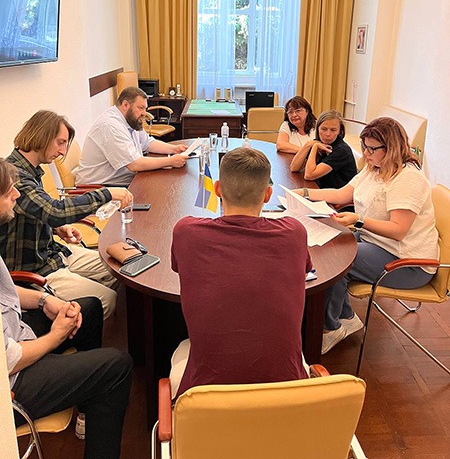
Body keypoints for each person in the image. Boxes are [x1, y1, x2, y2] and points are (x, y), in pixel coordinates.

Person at [0, 158, 133, 459]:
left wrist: (45, 301)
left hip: (16, 336)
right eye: (9, 192)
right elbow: (8, 360)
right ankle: (94, 391)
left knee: (89, 309)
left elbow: (6, 292)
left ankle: (87, 402)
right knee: (116, 367)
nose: (17, 195)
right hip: (11, 382)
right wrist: (55, 337)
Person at [170, 147, 312, 398]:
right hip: (286, 396)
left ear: (217, 189)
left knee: (181, 349)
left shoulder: (186, 232)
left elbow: (179, 267)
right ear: (267, 195)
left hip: (207, 396)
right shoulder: (294, 233)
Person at [295, 117, 439, 354]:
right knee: (327, 249)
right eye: (365, 147)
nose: (366, 153)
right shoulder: (375, 168)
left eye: (372, 149)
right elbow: (342, 195)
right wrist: (302, 193)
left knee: (336, 258)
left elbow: (398, 230)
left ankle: (329, 326)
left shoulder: (408, 179)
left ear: (391, 148)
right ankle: (343, 317)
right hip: (376, 243)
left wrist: (358, 220)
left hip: (407, 261)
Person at [0, 110, 133, 318]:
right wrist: (106, 193)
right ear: (42, 136)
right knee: (107, 299)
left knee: (115, 267)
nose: (63, 152)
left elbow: (35, 211)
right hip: (35, 269)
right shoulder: (15, 176)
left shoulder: (31, 170)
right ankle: (82, 326)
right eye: (60, 143)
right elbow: (54, 211)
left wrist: (56, 228)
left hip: (51, 253)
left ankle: (90, 317)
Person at [76, 86, 188, 186]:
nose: (144, 113)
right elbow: (134, 164)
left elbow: (148, 143)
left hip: (121, 181)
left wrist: (174, 149)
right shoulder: (110, 126)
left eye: (145, 108)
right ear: (125, 105)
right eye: (141, 108)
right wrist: (171, 161)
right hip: (98, 188)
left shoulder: (131, 120)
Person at [290, 109, 357, 189]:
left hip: (339, 194)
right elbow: (294, 168)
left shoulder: (342, 150)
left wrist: (314, 147)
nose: (328, 134)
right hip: (322, 189)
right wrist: (308, 144)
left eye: (333, 130)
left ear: (339, 131)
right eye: (324, 129)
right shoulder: (317, 142)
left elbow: (309, 175)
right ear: (317, 128)